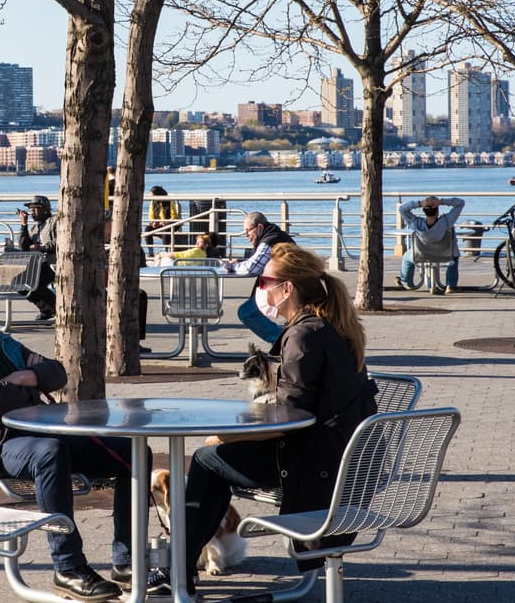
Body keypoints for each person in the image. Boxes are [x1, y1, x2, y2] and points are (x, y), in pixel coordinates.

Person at [147, 244, 377, 597]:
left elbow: (289, 418)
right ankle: (180, 563)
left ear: (288, 288)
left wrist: (229, 438)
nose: (261, 288)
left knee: (209, 460)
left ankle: (177, 568)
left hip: (314, 465)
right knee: (213, 460)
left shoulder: (303, 335)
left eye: (265, 280)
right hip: (337, 456)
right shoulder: (326, 327)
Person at [0, 257, 137, 602]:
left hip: (33, 437)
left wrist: (21, 378)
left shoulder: (0, 340)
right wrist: (23, 384)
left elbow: (56, 372)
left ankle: (127, 560)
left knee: (129, 451)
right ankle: (67, 567)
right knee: (49, 454)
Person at [398, 195, 466, 294]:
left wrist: (420, 203)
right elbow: (460, 202)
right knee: (454, 256)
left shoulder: (416, 223)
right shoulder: (446, 221)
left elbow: (402, 209)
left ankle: (406, 283)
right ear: (437, 211)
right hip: (444, 255)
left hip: (421, 255)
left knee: (406, 258)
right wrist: (441, 201)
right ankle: (451, 285)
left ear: (424, 211)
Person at [17, 194, 57, 321]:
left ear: (45, 209)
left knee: (35, 283)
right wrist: (23, 225)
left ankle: (57, 307)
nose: (32, 211)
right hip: (38, 265)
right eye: (30, 209)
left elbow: (61, 242)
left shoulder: (55, 221)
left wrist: (42, 248)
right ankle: (47, 310)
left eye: (35, 208)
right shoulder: (34, 228)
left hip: (53, 264)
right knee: (19, 283)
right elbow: (24, 247)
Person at [224, 211, 293, 276]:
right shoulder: (275, 234)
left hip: (285, 284)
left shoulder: (269, 241)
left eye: (248, 230)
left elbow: (252, 268)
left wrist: (231, 266)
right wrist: (239, 261)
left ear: (260, 227)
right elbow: (258, 260)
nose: (246, 235)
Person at [142, 186, 179, 254]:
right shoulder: (153, 203)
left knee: (166, 230)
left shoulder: (169, 201)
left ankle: (166, 251)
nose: (152, 198)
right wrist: (153, 222)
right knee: (147, 229)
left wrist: (165, 222)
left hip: (169, 223)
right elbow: (151, 215)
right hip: (159, 224)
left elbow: (174, 216)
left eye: (153, 196)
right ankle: (151, 252)